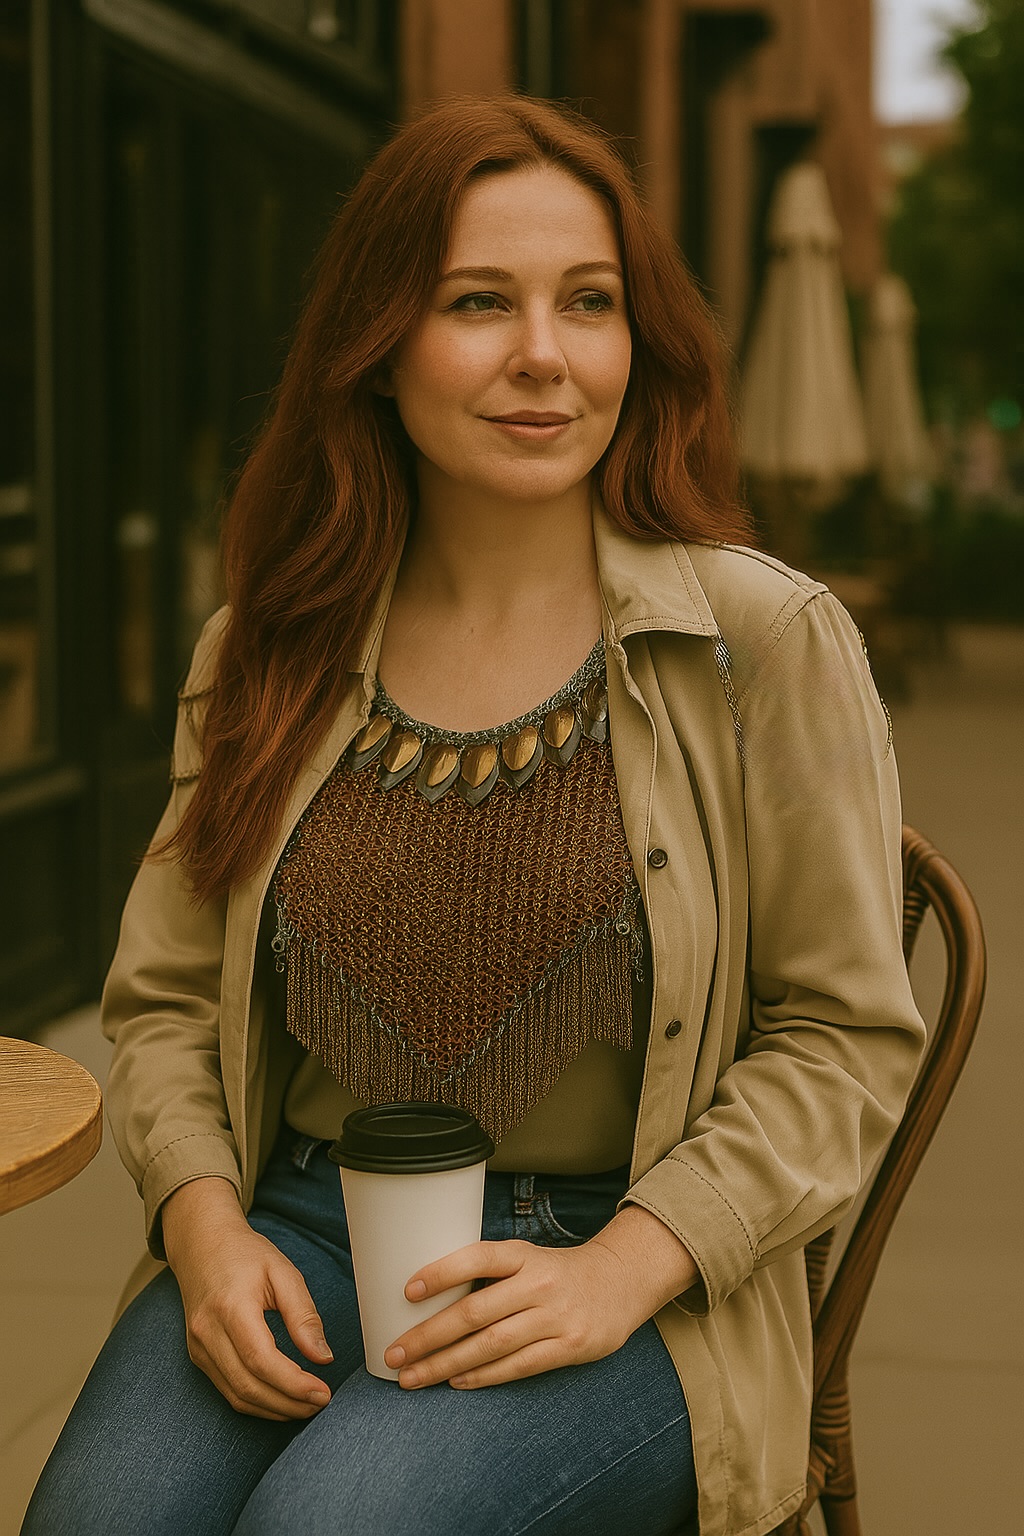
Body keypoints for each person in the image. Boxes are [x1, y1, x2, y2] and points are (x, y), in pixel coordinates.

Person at [23, 95, 925, 1536]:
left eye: (589, 304)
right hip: (300, 1220)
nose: (545, 358)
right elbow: (165, 1004)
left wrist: (625, 1266)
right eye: (477, 303)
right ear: (376, 349)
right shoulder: (270, 640)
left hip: (628, 1262)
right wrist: (201, 1225)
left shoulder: (761, 640)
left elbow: (846, 1038)